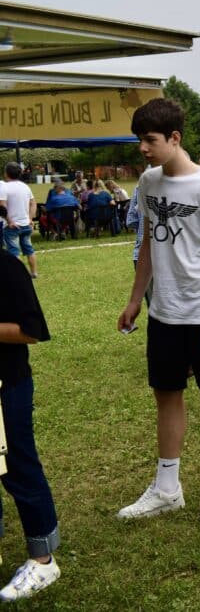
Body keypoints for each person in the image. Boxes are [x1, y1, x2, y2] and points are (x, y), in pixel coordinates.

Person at [117, 97, 200, 525]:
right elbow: (149, 244)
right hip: (163, 312)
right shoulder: (149, 183)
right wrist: (136, 299)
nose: (143, 149)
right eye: (139, 140)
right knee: (166, 394)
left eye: (149, 140)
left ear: (175, 138)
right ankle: (167, 487)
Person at [0, 253, 62, 601]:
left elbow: (31, 331)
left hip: (6, 385)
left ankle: (43, 559)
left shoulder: (6, 267)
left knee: (18, 468)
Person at [2, 163, 39, 278]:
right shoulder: (25, 186)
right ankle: (34, 272)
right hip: (25, 224)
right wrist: (30, 219)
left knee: (14, 252)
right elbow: (33, 203)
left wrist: (9, 221)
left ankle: (19, 275)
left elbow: (2, 206)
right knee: (29, 250)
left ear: (6, 173)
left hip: (12, 226)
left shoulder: (4, 187)